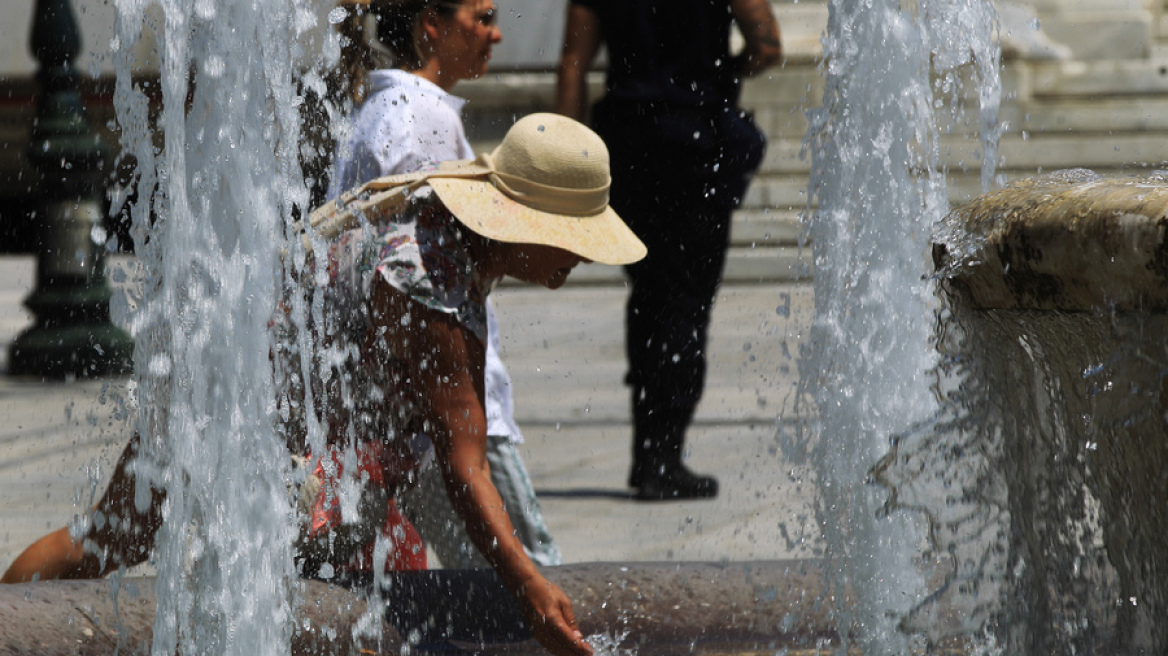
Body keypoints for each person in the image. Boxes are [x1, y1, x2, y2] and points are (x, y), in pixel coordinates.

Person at [3, 113, 645, 656]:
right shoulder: (434, 288)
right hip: (250, 418)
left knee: (107, 538)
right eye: (571, 239)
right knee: (137, 548)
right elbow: (464, 465)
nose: (581, 256)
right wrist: (529, 584)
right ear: (523, 219)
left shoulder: (437, 219)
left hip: (222, 380)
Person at [329, 0, 562, 568]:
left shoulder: (388, 106)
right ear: (430, 24)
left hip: (414, 407)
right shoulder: (420, 116)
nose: (497, 33)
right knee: (529, 573)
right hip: (444, 403)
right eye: (481, 17)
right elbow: (422, 270)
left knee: (480, 586)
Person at [555, 0, 781, 500]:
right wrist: (722, 71)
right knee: (686, 300)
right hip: (697, 136)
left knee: (650, 292)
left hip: (629, 141)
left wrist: (565, 162)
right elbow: (767, 46)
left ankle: (650, 451)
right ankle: (662, 454)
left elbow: (573, 64)